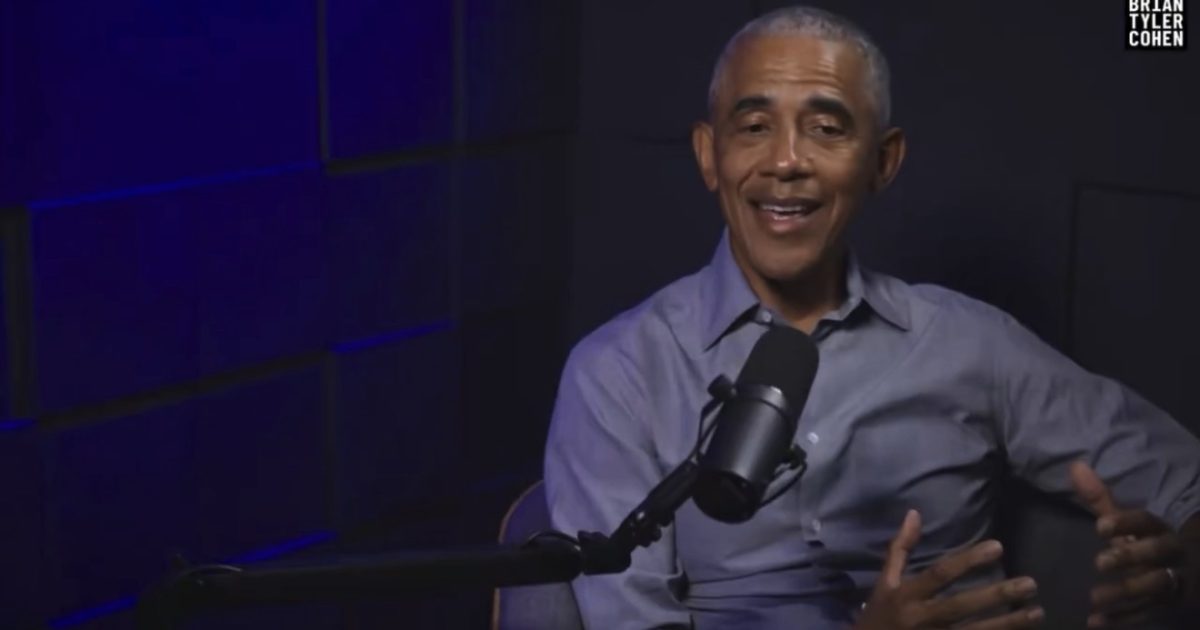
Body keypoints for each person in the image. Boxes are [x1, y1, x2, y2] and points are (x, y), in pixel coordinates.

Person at [543, 6, 1200, 629]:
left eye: (826, 129)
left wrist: (1178, 574)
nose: (786, 161)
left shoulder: (972, 343)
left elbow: (1188, 482)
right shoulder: (619, 374)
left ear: (883, 161)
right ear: (709, 155)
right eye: (754, 127)